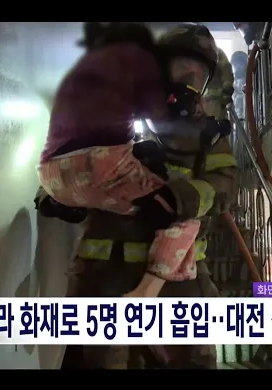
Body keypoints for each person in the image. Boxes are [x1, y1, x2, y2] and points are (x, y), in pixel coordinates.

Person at [62, 23, 239, 369]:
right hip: (105, 275)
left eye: (197, 75)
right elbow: (81, 166)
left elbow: (225, 186)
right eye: (181, 69)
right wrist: (61, 198)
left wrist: (177, 197)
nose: (188, 81)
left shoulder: (208, 136)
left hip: (178, 279)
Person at [37, 22, 208, 294]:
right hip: (100, 164)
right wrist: (186, 112)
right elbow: (159, 117)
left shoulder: (83, 69)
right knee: (182, 214)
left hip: (50, 176)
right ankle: (145, 292)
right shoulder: (139, 62)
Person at [202, 47, 234, 120]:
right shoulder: (192, 52)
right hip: (201, 104)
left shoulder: (217, 53)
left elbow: (227, 77)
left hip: (215, 103)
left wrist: (226, 96)